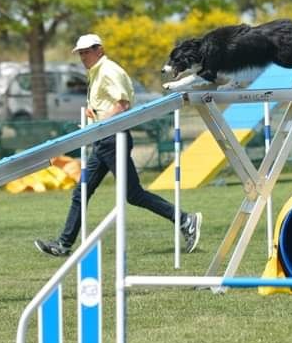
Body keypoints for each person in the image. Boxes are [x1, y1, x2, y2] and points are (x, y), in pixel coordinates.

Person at [34, 34, 202, 257]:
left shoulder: (108, 71)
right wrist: (93, 115)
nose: (83, 57)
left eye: (86, 51)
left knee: (133, 194)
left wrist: (98, 125)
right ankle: (64, 244)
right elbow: (109, 105)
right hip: (105, 138)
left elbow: (121, 105)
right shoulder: (97, 72)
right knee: (82, 192)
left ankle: (185, 219)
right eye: (80, 53)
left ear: (99, 50)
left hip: (113, 139)